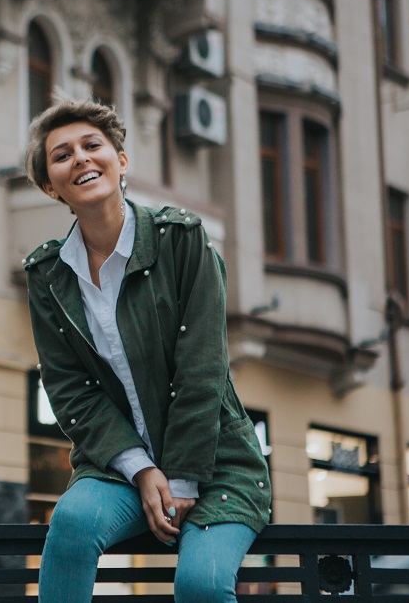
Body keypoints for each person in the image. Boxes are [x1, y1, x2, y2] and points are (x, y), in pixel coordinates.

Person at [22, 96, 271, 602]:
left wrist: (179, 479)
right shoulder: (47, 275)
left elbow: (201, 369)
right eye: (63, 154)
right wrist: (141, 467)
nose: (82, 159)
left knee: (200, 584)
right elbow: (70, 391)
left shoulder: (183, 240)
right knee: (70, 522)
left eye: (93, 145)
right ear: (51, 186)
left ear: (121, 160)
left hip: (216, 461)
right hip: (120, 468)